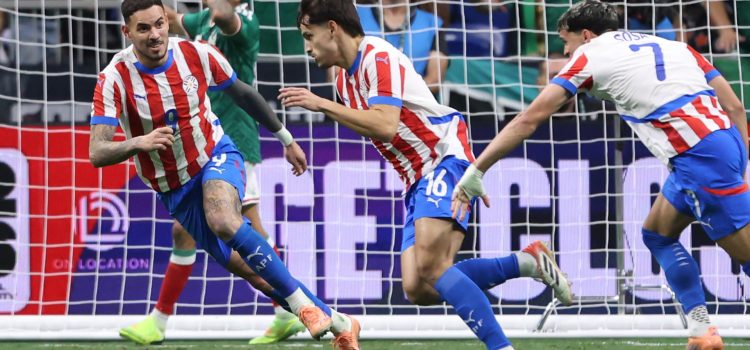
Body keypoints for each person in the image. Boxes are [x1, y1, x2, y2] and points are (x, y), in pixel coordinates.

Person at [452, 1, 749, 349]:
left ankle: (704, 333)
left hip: (698, 156)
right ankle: (702, 332)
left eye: (567, 42)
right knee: (657, 234)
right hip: (719, 143)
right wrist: (739, 156)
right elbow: (734, 106)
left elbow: (528, 120)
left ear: (588, 35)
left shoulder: (590, 55)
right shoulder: (676, 46)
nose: (565, 51)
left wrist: (477, 168)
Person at [279, 1, 572, 349]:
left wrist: (322, 104)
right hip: (416, 177)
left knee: (433, 266)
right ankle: (528, 261)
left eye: (309, 36)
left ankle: (501, 346)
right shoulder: (344, 81)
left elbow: (386, 125)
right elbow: (379, 129)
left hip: (443, 155)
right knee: (418, 287)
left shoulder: (377, 56)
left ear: (332, 28)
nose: (307, 47)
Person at [90, 1, 360, 349]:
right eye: (144, 29)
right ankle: (337, 321)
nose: (156, 34)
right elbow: (97, 153)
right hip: (175, 187)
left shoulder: (204, 48)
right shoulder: (113, 79)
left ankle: (300, 309)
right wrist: (139, 142)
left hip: (219, 152)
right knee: (250, 267)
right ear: (127, 32)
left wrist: (286, 139)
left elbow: (244, 93)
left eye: (160, 24)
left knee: (224, 219)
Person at [117, 0, 305, 345]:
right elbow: (171, 20)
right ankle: (287, 311)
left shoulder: (243, 23)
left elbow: (221, 14)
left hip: (232, 140)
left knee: (242, 231)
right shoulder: (202, 20)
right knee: (193, 231)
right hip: (201, 141)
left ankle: (294, 308)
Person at [356, 0, 447, 93]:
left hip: (413, 102)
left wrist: (394, 96)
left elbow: (435, 79)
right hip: (363, 100)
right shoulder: (356, 14)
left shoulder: (433, 23)